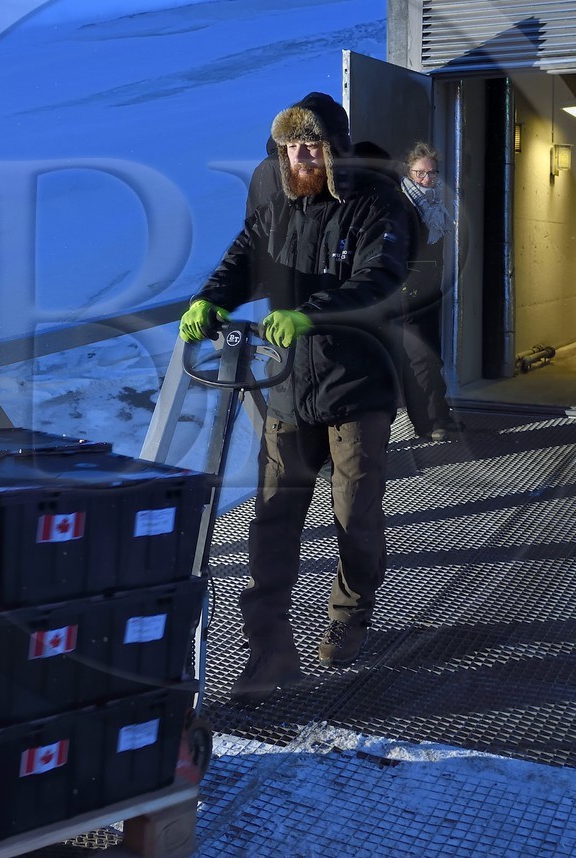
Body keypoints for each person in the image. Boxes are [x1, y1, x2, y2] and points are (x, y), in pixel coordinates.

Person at [180, 91, 410, 699]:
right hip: (287, 387)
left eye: (311, 145)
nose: (300, 156)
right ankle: (269, 652)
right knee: (274, 521)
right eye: (290, 146)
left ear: (334, 147)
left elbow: (379, 279)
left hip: (358, 383)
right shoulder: (276, 203)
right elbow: (242, 259)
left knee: (354, 514)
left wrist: (314, 313)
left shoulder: (375, 203)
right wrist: (211, 299)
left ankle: (348, 615)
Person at [397, 142, 458, 441]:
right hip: (408, 295)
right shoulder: (403, 204)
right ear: (409, 172)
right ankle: (430, 423)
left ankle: (440, 414)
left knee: (433, 354)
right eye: (420, 173)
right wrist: (406, 286)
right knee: (420, 358)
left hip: (430, 292)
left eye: (432, 173)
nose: (427, 180)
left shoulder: (436, 206)